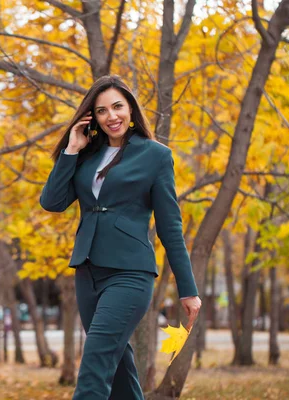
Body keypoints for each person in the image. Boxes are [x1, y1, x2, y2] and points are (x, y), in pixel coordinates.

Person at [40, 75, 201, 399]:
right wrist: (71, 149)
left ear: (130, 110)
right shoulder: (86, 154)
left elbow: (170, 226)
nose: (111, 116)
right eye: (101, 111)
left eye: (117, 107)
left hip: (131, 272)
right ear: (92, 117)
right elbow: (52, 202)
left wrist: (188, 289)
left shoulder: (155, 155)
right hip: (88, 271)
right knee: (118, 368)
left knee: (96, 364)